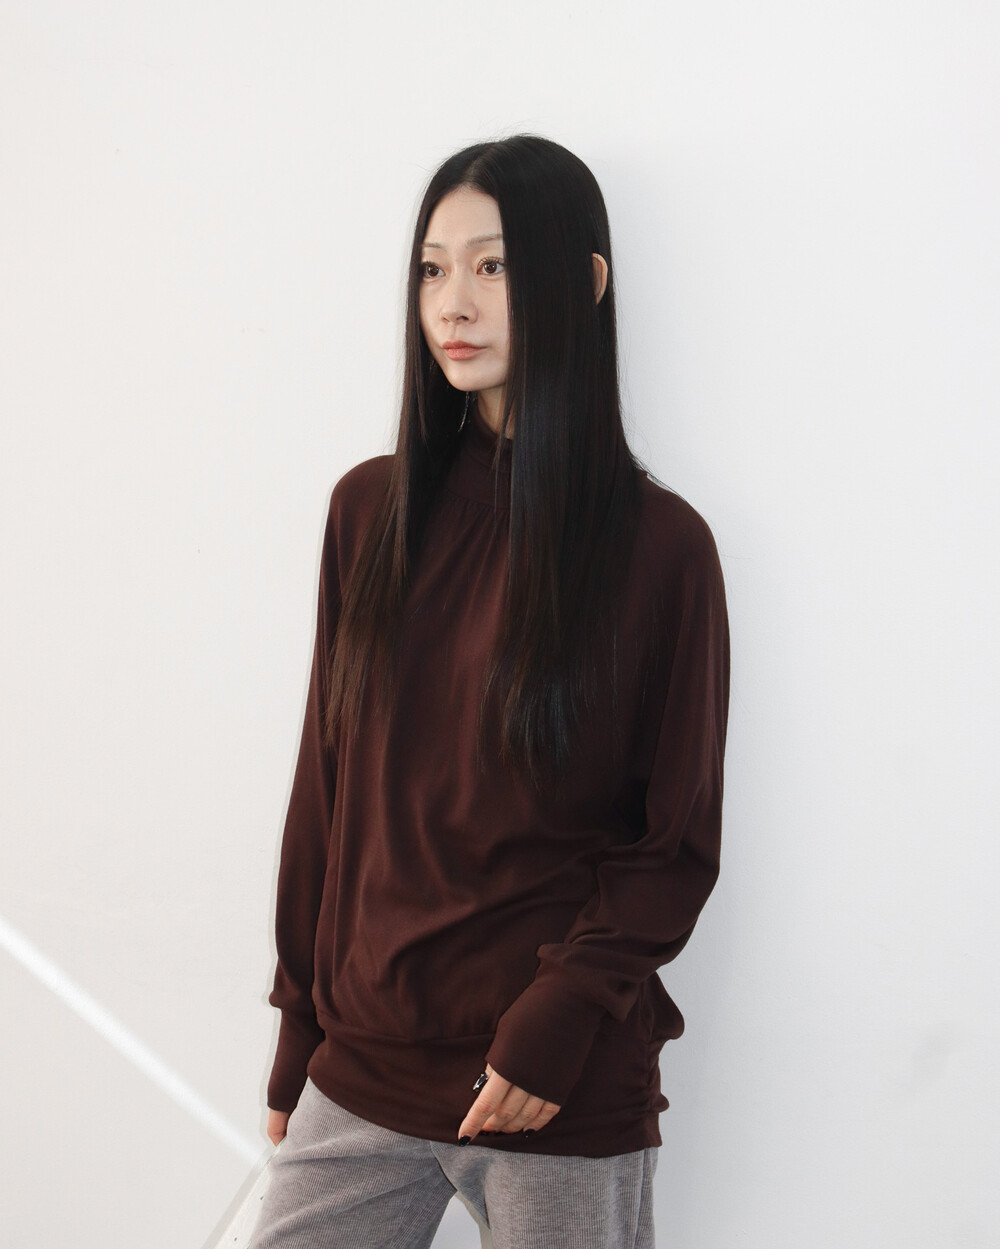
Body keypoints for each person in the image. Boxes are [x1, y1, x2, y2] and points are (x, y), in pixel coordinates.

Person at [248, 134, 730, 1249]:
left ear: (585, 282)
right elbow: (328, 793)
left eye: (493, 266)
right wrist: (298, 1024)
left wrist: (558, 1019)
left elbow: (672, 842)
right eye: (432, 268)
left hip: (554, 1083)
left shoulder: (661, 548)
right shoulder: (369, 513)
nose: (451, 303)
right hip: (364, 1065)